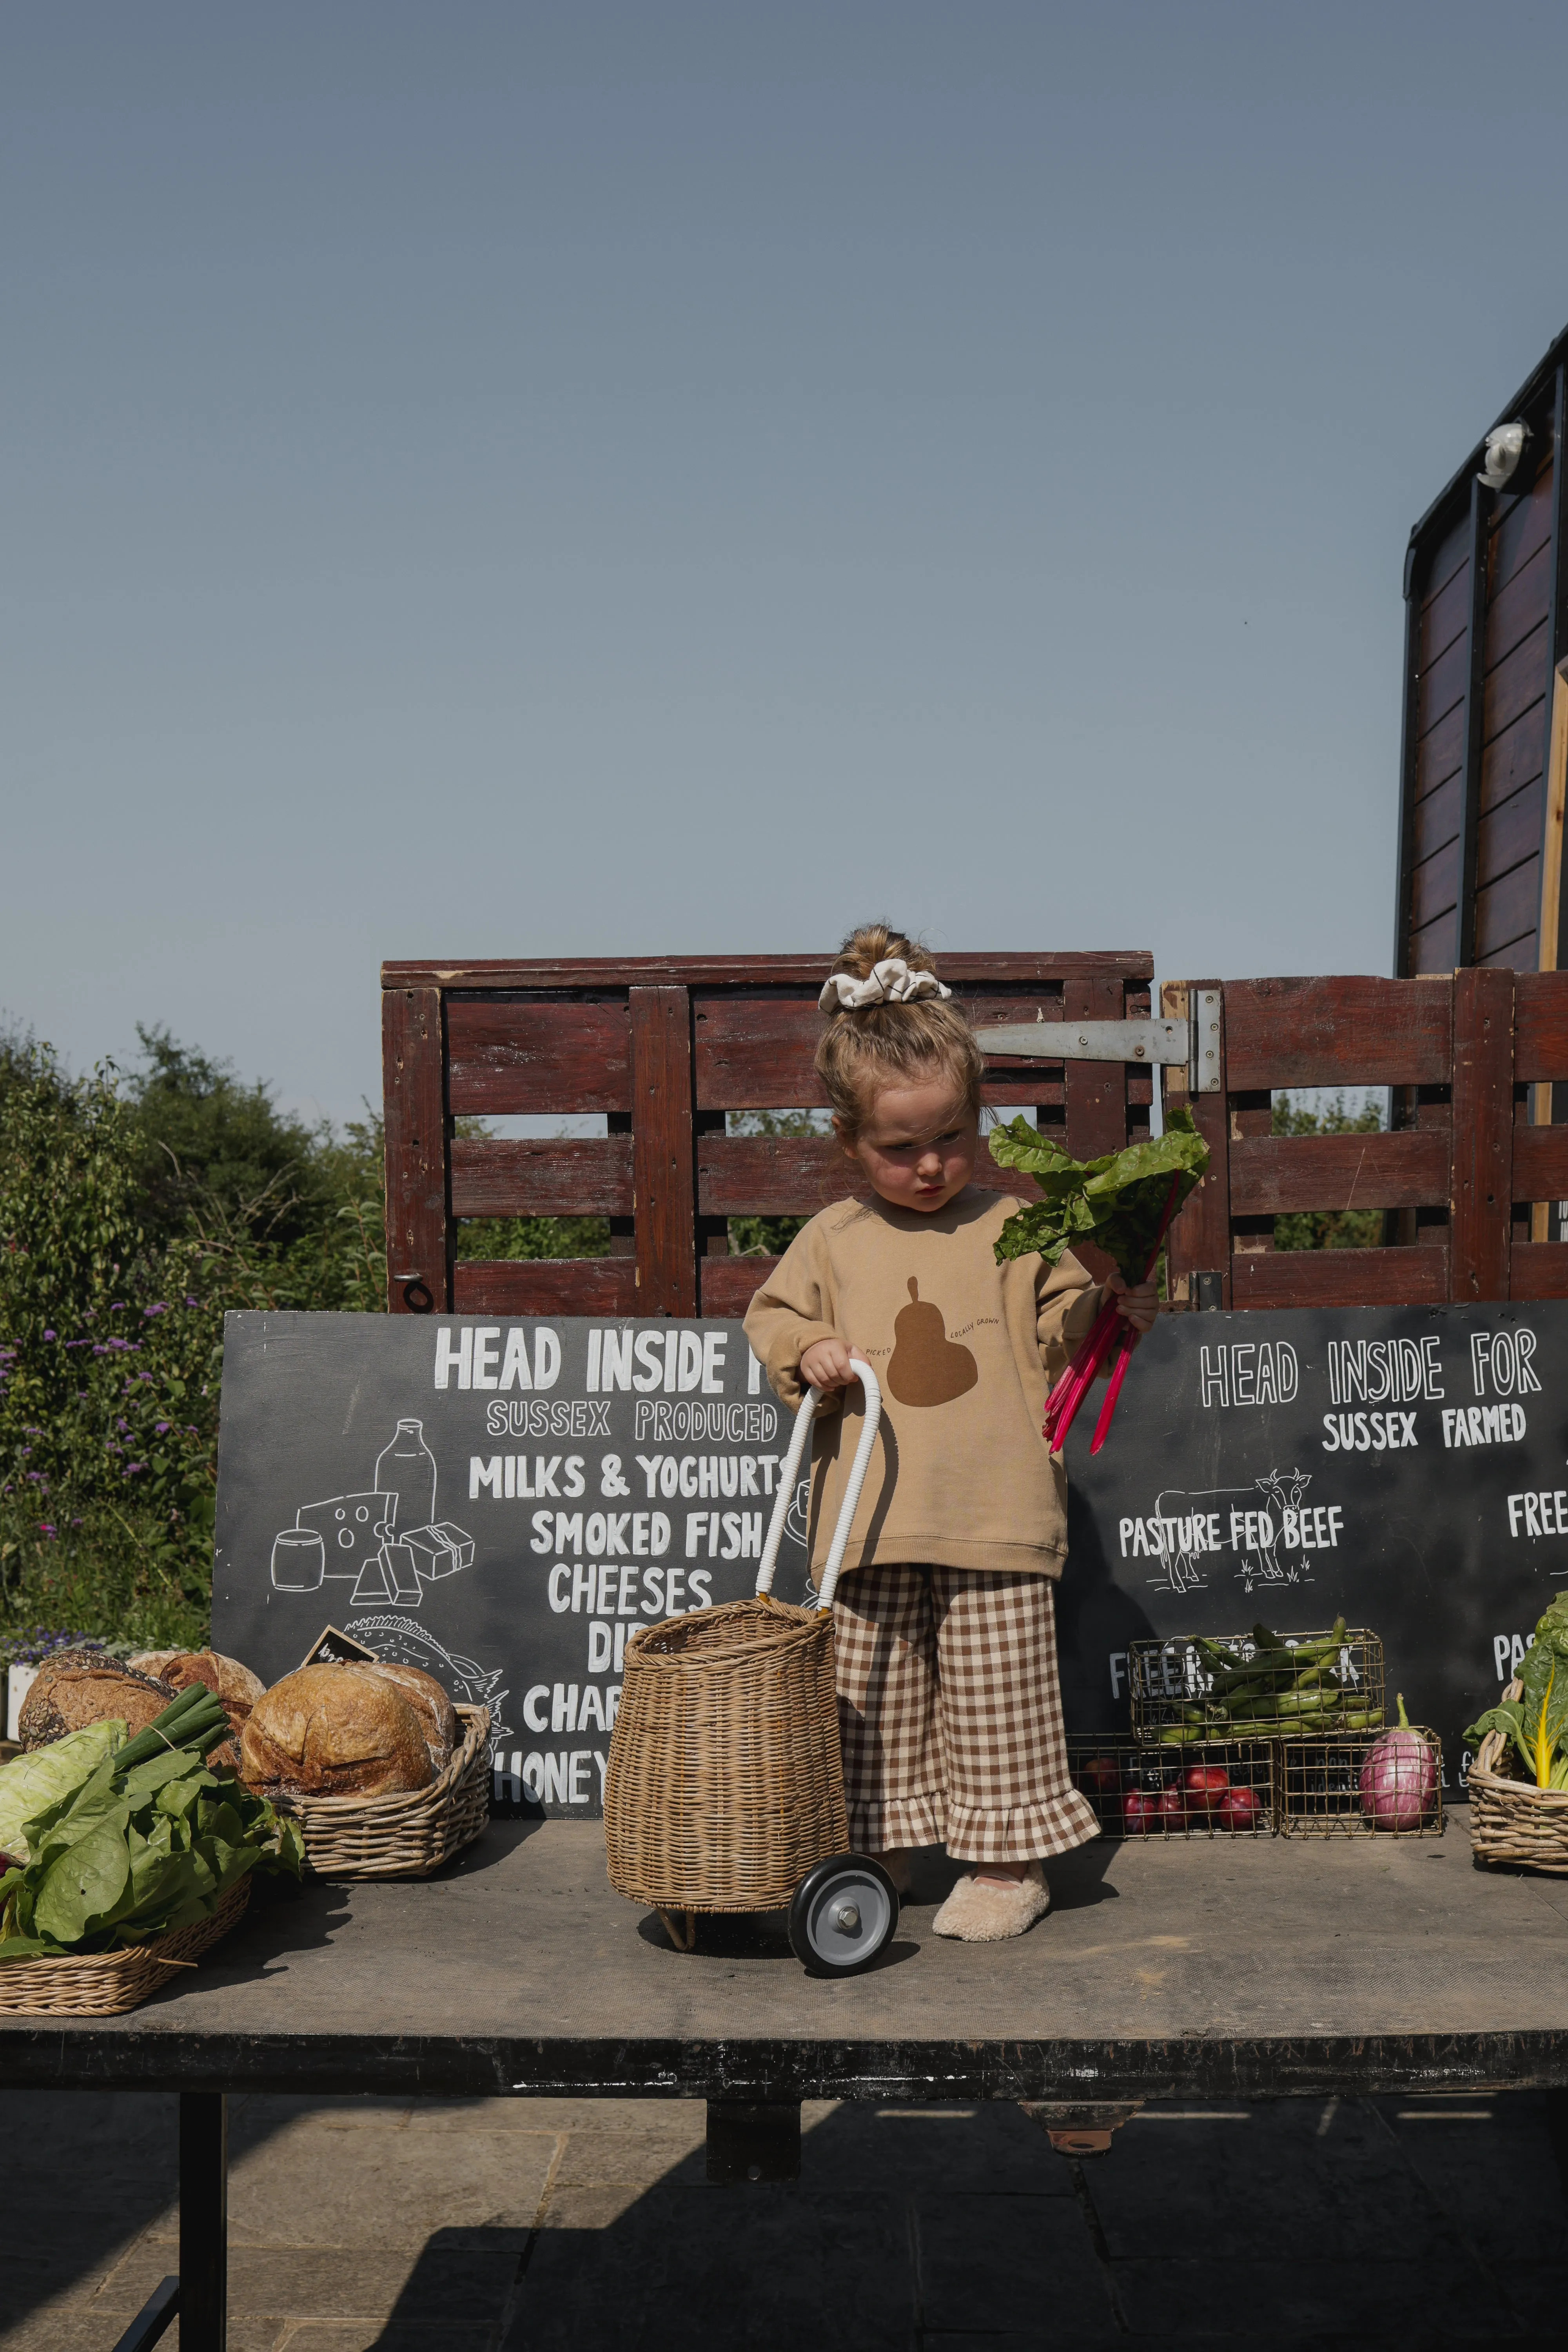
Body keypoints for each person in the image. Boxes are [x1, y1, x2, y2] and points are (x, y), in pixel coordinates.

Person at [744, 924, 1158, 1942]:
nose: (931, 1166)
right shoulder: (832, 1240)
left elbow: (1071, 1324)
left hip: (995, 1508)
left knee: (999, 1700)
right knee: (870, 1700)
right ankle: (881, 1857)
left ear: (980, 1119)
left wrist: (1106, 1285)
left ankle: (1008, 1866)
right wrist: (813, 1349)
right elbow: (770, 1317)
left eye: (952, 1138)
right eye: (900, 1147)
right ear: (849, 1141)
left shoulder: (1014, 1228)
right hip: (872, 1521)